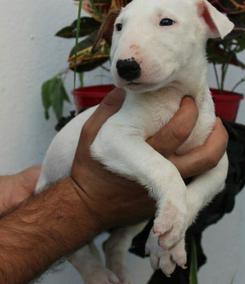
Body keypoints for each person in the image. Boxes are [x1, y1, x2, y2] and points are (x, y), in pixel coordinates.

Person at [0, 89, 228, 284]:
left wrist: (181, 215)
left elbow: (217, 168)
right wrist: (83, 203)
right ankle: (94, 266)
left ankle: (116, 249)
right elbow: (112, 147)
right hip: (67, 177)